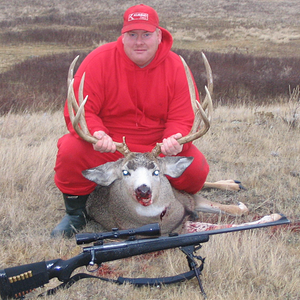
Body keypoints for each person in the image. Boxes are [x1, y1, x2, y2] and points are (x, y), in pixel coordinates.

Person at [51, 4, 209, 237]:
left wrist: (174, 139)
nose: (139, 42)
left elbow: (184, 115)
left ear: (158, 35)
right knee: (70, 150)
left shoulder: (176, 66)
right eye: (132, 35)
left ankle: (165, 195)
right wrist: (97, 134)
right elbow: (82, 111)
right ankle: (76, 213)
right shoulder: (99, 61)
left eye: (146, 34)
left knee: (196, 170)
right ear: (122, 37)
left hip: (157, 149)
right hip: (112, 148)